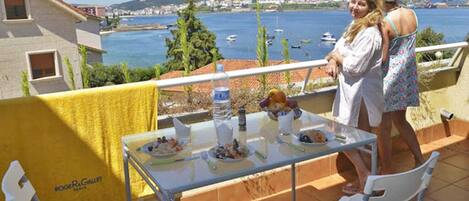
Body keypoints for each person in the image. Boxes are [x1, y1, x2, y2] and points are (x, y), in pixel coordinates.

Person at [325, 0, 384, 194]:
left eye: (361, 4)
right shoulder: (355, 25)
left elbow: (354, 67)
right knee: (352, 139)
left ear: (372, 7)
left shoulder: (370, 33)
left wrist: (337, 57)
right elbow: (338, 47)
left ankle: (366, 180)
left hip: (363, 95)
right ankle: (365, 179)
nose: (355, 7)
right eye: (352, 2)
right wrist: (333, 59)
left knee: (358, 141)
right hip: (350, 94)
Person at [379, 0, 424, 173]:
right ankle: (420, 160)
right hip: (406, 77)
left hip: (390, 80)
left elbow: (382, 58)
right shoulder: (411, 14)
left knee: (383, 127)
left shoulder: (386, 22)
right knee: (401, 121)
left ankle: (387, 169)